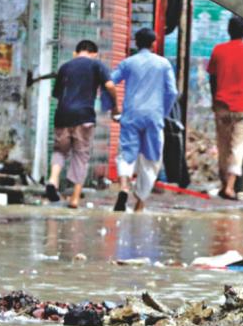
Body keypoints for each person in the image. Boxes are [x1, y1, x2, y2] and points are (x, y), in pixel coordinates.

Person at [111, 28, 179, 212]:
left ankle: (124, 186)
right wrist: (162, 113)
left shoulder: (128, 63)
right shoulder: (163, 64)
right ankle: (140, 204)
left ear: (135, 42)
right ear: (153, 44)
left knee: (126, 153)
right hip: (153, 117)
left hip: (131, 115)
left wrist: (114, 108)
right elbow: (172, 92)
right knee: (151, 160)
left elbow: (110, 82)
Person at [46, 40, 119, 208]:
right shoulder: (96, 65)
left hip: (62, 115)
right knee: (81, 155)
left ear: (76, 52)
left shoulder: (65, 67)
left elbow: (57, 94)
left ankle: (53, 180)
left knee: (60, 150)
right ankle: (75, 198)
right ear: (94, 53)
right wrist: (115, 106)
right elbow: (110, 85)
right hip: (84, 116)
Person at [207, 16, 243, 200]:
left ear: (228, 31)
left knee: (223, 146)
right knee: (238, 147)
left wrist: (214, 99)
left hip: (222, 105)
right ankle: (230, 186)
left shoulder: (218, 50)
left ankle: (223, 184)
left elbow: (212, 79)